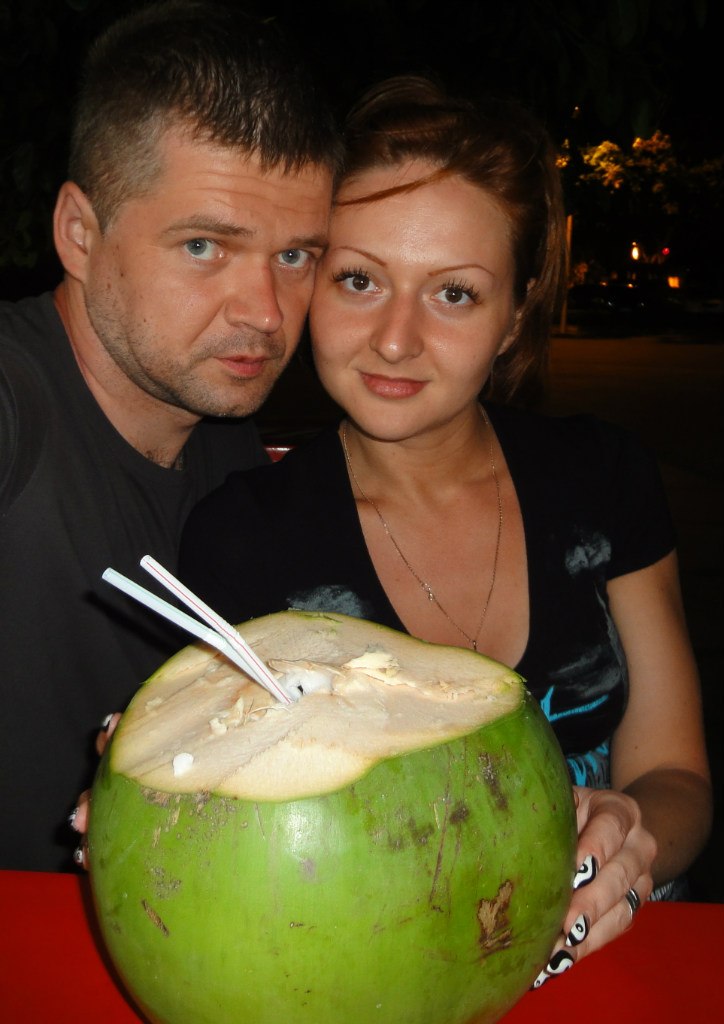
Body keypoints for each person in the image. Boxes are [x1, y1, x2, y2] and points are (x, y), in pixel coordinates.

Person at [178, 77, 712, 977]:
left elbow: (679, 776)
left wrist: (633, 829)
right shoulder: (243, 539)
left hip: (627, 957)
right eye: (359, 279)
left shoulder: (604, 477)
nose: (395, 339)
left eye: (455, 294)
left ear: (515, 315)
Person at [0, 0, 339, 872]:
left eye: (295, 256)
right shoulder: (17, 403)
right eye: (203, 246)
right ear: (80, 234)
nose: (266, 313)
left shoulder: (227, 443)